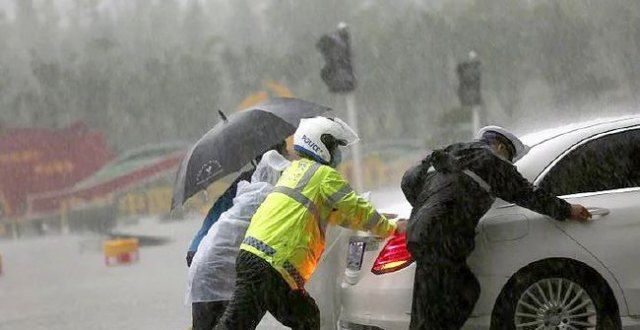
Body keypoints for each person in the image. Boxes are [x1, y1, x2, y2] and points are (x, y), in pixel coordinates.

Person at [215, 116, 408, 330]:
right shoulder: (324, 175)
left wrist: (379, 220)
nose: (338, 153)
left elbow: (338, 215)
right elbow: (355, 208)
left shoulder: (296, 171)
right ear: (320, 144)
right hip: (273, 265)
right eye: (335, 146)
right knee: (305, 318)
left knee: (242, 323)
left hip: (254, 257)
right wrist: (390, 228)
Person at [401, 125, 592, 330]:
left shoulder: (453, 152)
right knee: (458, 296)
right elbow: (526, 193)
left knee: (430, 307)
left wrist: (424, 211)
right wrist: (567, 209)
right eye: (510, 158)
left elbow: (409, 180)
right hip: (443, 238)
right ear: (500, 146)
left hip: (422, 234)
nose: (509, 164)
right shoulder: (491, 161)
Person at [186, 149, 291, 330]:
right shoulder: (266, 192)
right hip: (217, 262)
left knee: (209, 324)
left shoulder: (249, 184)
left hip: (205, 252)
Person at [185, 142, 287, 267]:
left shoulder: (245, 182)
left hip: (240, 259)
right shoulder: (293, 178)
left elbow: (216, 215)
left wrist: (196, 247)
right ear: (282, 152)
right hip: (266, 261)